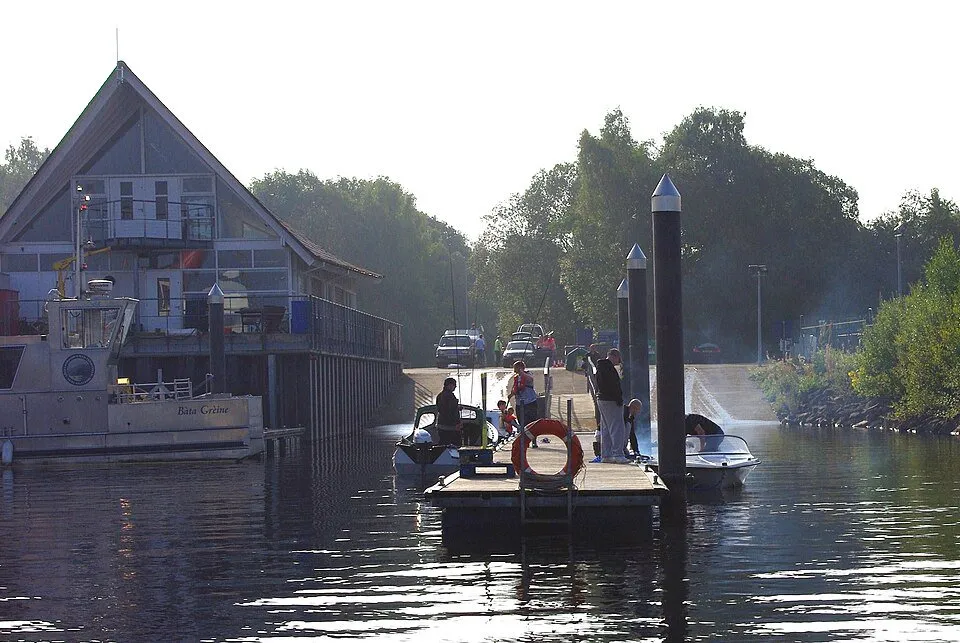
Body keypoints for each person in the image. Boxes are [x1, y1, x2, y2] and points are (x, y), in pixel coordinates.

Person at [596, 348, 629, 463]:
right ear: (615, 356)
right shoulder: (609, 368)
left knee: (606, 427)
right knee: (617, 427)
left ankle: (606, 455)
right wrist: (619, 399)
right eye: (618, 360)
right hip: (611, 401)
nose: (618, 363)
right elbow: (613, 386)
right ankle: (618, 454)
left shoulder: (600, 367)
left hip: (602, 399)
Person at [507, 359, 539, 429]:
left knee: (531, 421)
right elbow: (515, 388)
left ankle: (532, 437)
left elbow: (531, 379)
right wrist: (511, 395)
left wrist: (522, 373)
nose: (514, 370)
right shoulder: (516, 377)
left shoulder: (528, 374)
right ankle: (523, 436)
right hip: (519, 403)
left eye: (515, 368)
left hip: (529, 401)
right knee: (521, 421)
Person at [435, 377, 461, 445]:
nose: (455, 387)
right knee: (454, 444)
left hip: (442, 425)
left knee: (443, 443)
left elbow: (443, 408)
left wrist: (456, 407)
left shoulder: (440, 395)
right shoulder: (449, 396)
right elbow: (449, 411)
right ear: (448, 385)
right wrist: (457, 423)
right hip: (449, 427)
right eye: (454, 385)